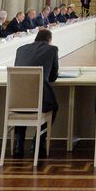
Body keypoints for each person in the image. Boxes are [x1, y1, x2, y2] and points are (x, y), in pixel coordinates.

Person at [13, 28, 60, 157]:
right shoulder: (52, 49)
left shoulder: (21, 49)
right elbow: (53, 77)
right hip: (39, 97)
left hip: (17, 97)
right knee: (53, 106)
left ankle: (18, 142)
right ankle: (38, 141)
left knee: (22, 106)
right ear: (49, 40)